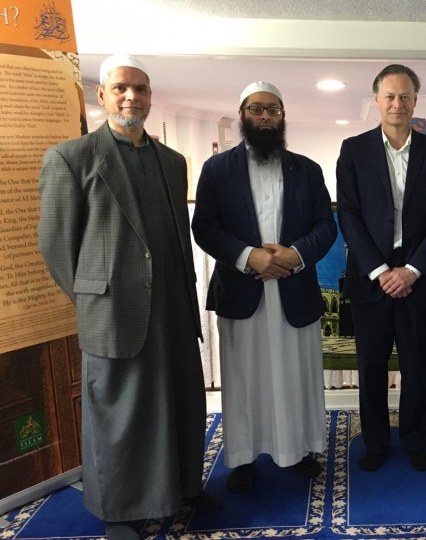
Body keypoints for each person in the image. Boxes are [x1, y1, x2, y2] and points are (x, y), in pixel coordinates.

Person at [38, 54, 221, 540]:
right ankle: (119, 511)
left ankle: (182, 488)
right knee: (119, 414)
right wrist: (94, 299)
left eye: (140, 89)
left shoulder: (172, 161)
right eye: (121, 88)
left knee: (181, 403)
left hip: (173, 310)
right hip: (115, 314)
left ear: (150, 96)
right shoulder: (71, 158)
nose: (131, 97)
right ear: (102, 95)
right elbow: (56, 246)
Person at [192, 81, 336, 492]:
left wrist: (293, 255)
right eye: (257, 110)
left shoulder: (307, 169)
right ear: (242, 115)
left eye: (273, 110)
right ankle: (242, 456)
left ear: (283, 116)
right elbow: (204, 227)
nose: (265, 117)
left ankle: (300, 449)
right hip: (242, 290)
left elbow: (326, 226)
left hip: (294, 288)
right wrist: (247, 256)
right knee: (244, 377)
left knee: (296, 374)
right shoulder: (216, 169)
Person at [336, 64, 426, 472]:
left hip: (417, 280)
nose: (397, 103)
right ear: (376, 101)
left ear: (416, 101)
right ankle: (376, 443)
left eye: (405, 96)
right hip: (371, 282)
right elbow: (348, 215)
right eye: (389, 96)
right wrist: (381, 270)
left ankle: (416, 441)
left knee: (416, 367)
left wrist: (412, 270)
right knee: (370, 368)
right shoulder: (354, 149)